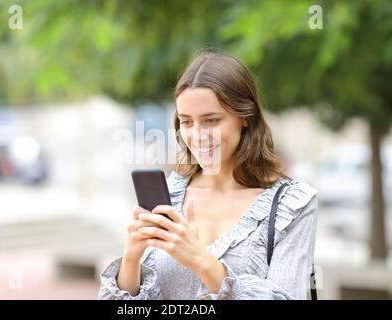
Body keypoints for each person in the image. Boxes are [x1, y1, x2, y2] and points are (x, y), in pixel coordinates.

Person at [98, 51, 318, 300]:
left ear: (245, 117)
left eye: (211, 120)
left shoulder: (292, 206)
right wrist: (131, 257)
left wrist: (200, 260)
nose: (198, 135)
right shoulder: (170, 194)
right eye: (187, 122)